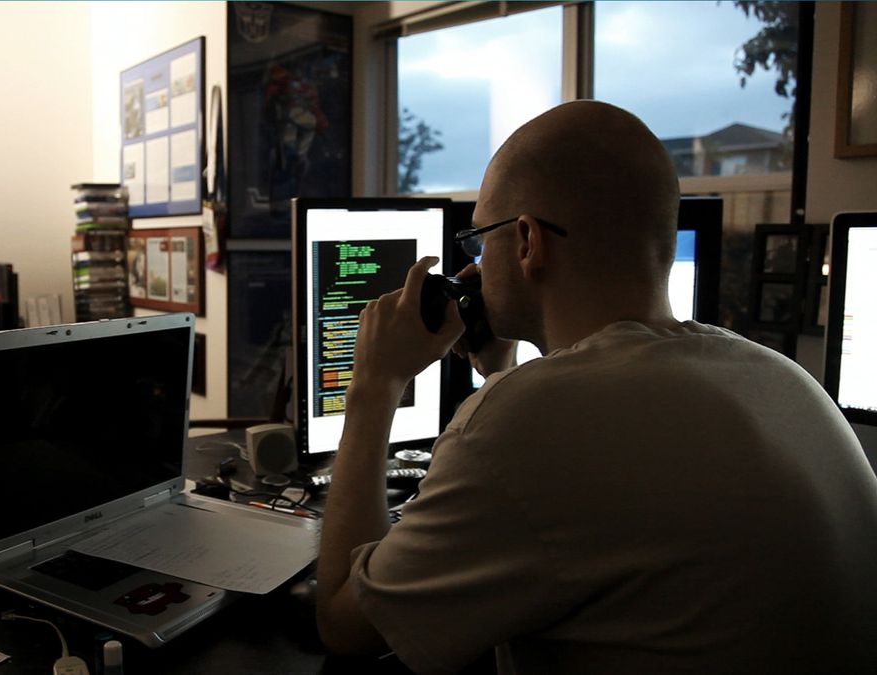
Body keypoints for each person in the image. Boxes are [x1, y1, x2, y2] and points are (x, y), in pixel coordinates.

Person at [316, 100, 877, 674]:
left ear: (529, 241)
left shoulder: (522, 425)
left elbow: (344, 623)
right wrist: (503, 375)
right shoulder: (780, 377)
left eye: (480, 242)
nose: (477, 265)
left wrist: (374, 384)